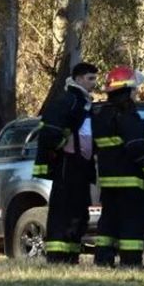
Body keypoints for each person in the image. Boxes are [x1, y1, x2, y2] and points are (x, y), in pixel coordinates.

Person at [92, 66, 144, 267]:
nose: (135, 93)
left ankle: (103, 260)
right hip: (131, 182)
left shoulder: (101, 115)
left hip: (108, 182)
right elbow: (136, 147)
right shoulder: (127, 115)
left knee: (108, 222)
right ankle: (130, 262)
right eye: (133, 89)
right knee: (132, 222)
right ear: (126, 90)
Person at [33, 62, 98, 264]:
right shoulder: (67, 100)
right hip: (66, 166)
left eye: (95, 78)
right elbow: (49, 132)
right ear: (78, 79)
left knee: (78, 213)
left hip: (81, 167)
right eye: (90, 78)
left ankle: (71, 256)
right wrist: (64, 144)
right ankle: (57, 257)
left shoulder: (83, 102)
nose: (94, 83)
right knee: (63, 212)